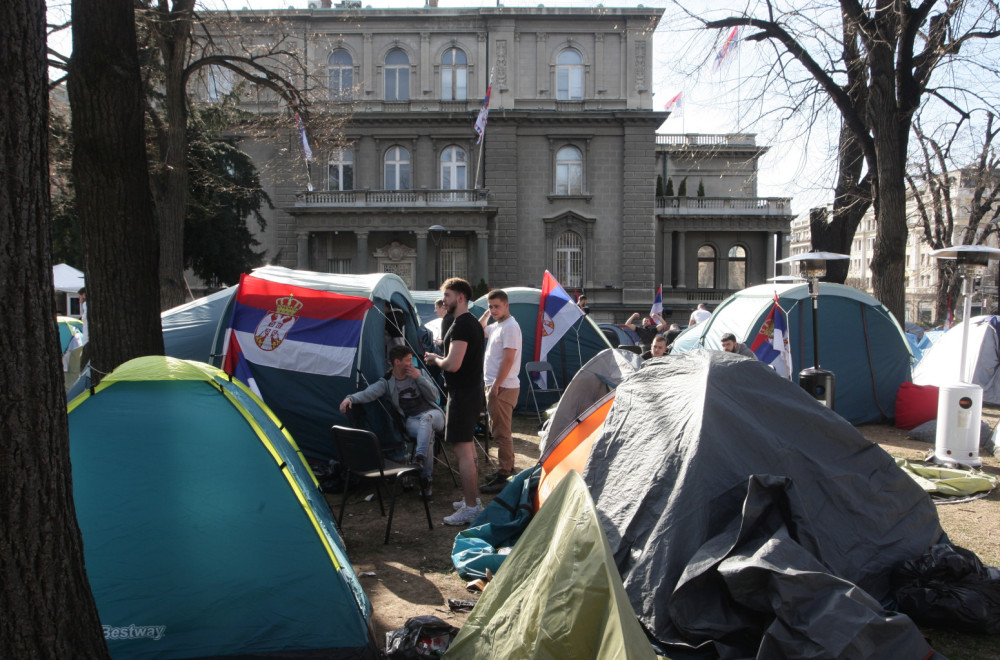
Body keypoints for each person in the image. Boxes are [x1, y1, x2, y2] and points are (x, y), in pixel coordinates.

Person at [339, 345, 443, 496]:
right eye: (408, 360)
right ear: (397, 362)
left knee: (427, 420)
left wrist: (419, 378)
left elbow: (434, 397)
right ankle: (426, 478)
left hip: (434, 415)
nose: (411, 363)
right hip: (412, 421)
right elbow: (370, 393)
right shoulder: (387, 382)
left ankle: (419, 459)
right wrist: (350, 398)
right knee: (427, 434)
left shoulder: (419, 373)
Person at [424, 278, 485, 526]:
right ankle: (473, 500)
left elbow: (453, 363)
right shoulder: (467, 323)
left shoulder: (462, 325)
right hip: (468, 392)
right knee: (468, 449)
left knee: (463, 451)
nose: (444, 300)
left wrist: (436, 360)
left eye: (447, 295)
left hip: (463, 394)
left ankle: (471, 507)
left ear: (460, 297)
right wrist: (442, 358)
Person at [479, 289, 522, 494]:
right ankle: (504, 469)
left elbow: (508, 358)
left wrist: (497, 383)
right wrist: (487, 314)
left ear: (507, 305)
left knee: (502, 432)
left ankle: (505, 474)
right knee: (497, 429)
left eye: (497, 306)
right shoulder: (497, 325)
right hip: (496, 384)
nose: (493, 309)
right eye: (490, 306)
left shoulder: (511, 327)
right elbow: (480, 328)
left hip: (503, 386)